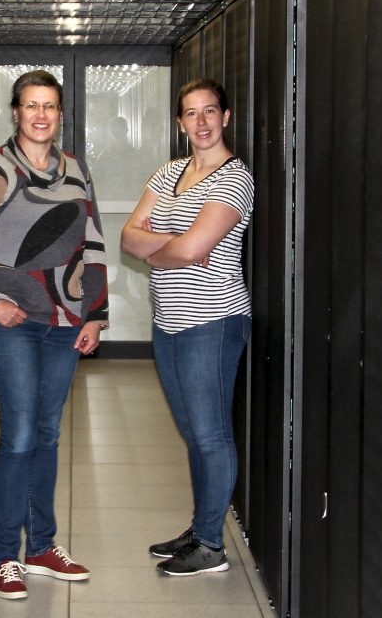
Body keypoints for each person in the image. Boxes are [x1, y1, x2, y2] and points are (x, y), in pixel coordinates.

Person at [0, 70, 109, 600]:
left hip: (65, 324)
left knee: (47, 434)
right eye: (31, 105)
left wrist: (95, 315)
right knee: (17, 437)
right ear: (15, 112)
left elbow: (95, 244)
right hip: (13, 325)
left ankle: (41, 546)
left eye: (50, 107)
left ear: (60, 115)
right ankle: (5, 558)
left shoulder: (76, 170)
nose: (41, 115)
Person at [120, 78, 254, 577]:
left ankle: (212, 546)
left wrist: (162, 243)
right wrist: (167, 242)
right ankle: (200, 528)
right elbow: (128, 237)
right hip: (168, 322)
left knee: (211, 434)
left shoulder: (234, 178)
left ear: (226, 117)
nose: (202, 122)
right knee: (193, 433)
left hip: (212, 322)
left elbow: (196, 249)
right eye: (192, 114)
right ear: (180, 122)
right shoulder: (169, 172)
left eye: (210, 112)